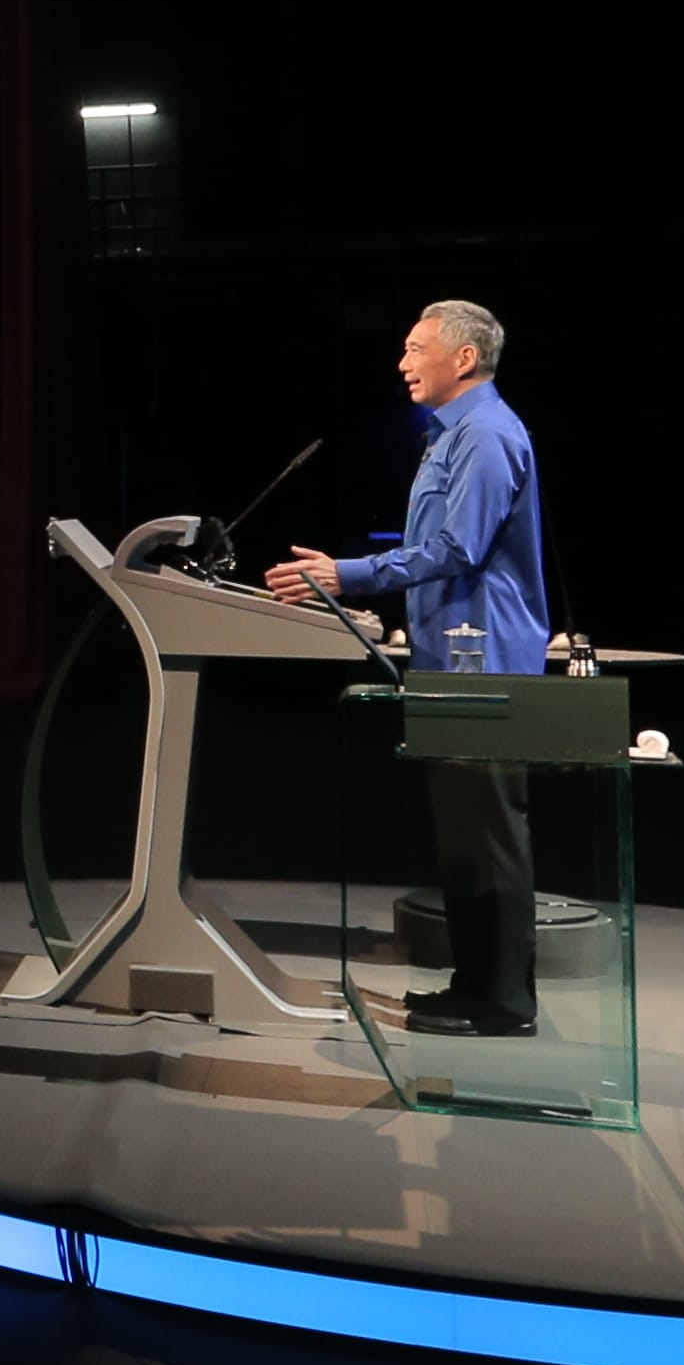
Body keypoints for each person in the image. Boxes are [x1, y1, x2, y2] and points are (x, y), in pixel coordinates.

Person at [264, 298, 547, 1039]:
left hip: (482, 665)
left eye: (416, 348)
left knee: (490, 837)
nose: (403, 361)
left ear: (463, 358)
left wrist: (349, 574)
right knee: (462, 837)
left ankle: (506, 1004)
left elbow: (457, 549)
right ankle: (473, 986)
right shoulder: (450, 435)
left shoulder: (485, 434)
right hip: (449, 656)